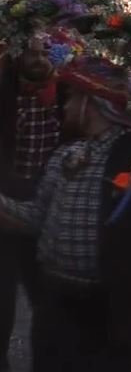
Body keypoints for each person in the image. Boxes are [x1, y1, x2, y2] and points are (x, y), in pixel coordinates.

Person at [0, 56, 131, 372]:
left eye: (73, 98)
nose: (64, 106)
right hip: (56, 306)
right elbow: (35, 217)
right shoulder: (66, 153)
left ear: (93, 105)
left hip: (111, 313)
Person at [0, 39, 59, 372]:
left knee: (47, 301)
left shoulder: (64, 95)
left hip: (48, 209)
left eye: (45, 53)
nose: (39, 60)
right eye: (33, 53)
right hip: (6, 206)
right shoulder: (6, 93)